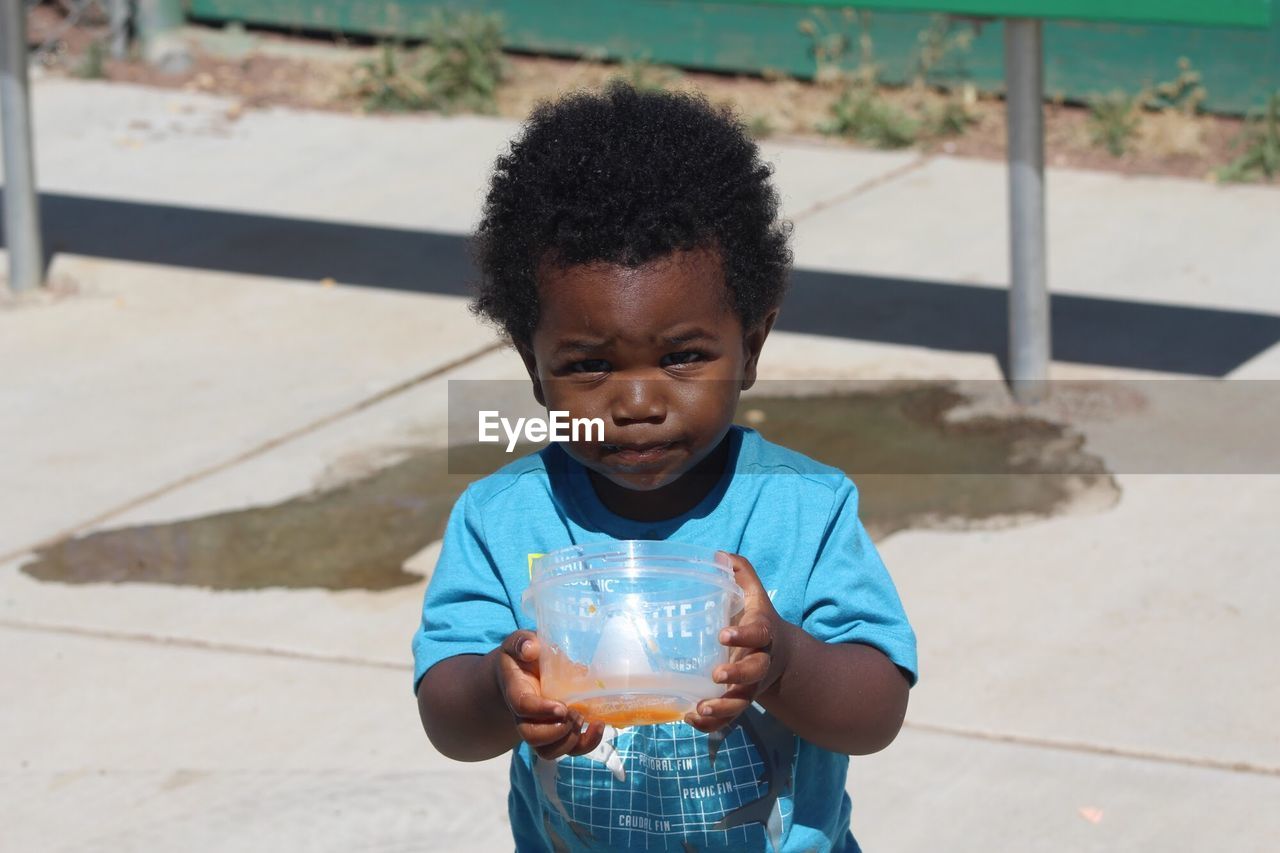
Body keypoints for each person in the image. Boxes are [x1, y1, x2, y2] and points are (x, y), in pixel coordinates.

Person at [412, 82, 917, 852]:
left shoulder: (802, 508)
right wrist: (499, 687)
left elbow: (876, 710)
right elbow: (448, 716)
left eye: (683, 355)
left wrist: (782, 658)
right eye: (588, 364)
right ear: (533, 366)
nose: (638, 401)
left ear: (751, 345)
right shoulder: (503, 517)